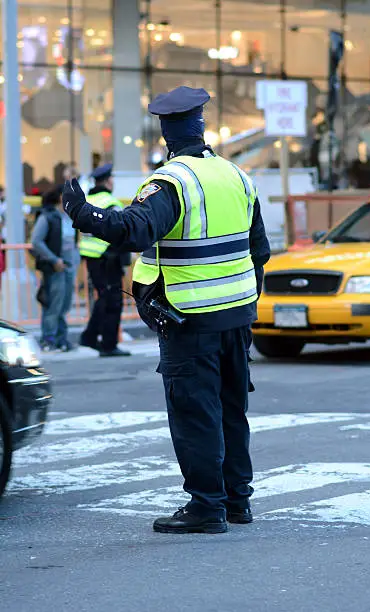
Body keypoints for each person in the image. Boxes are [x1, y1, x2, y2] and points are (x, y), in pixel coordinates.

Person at [63, 86, 271, 534]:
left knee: (196, 413)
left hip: (190, 322)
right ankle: (237, 501)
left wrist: (83, 212)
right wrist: (241, 300)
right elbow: (260, 251)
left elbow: (132, 231)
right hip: (236, 319)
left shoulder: (172, 182)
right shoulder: (237, 176)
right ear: (201, 126)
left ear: (166, 135)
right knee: (231, 410)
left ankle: (206, 508)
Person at [78, 164, 131, 358]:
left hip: (92, 259)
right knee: (112, 301)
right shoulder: (110, 202)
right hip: (109, 258)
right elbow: (121, 232)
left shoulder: (87, 201)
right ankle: (105, 342)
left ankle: (92, 337)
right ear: (108, 181)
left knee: (105, 298)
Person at [31, 185, 80, 351]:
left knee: (65, 305)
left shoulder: (69, 217)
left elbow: (72, 244)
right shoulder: (48, 217)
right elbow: (36, 241)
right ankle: (48, 339)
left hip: (68, 268)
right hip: (54, 268)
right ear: (61, 197)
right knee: (53, 305)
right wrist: (54, 260)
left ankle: (61, 339)